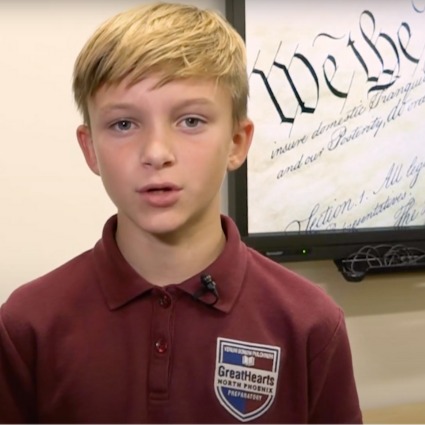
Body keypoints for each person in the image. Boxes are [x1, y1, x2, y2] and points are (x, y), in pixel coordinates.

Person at [0, 2, 362, 423]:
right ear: (90, 149)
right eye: (123, 124)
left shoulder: (309, 324)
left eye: (190, 120)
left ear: (237, 142)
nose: (156, 153)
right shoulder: (27, 325)